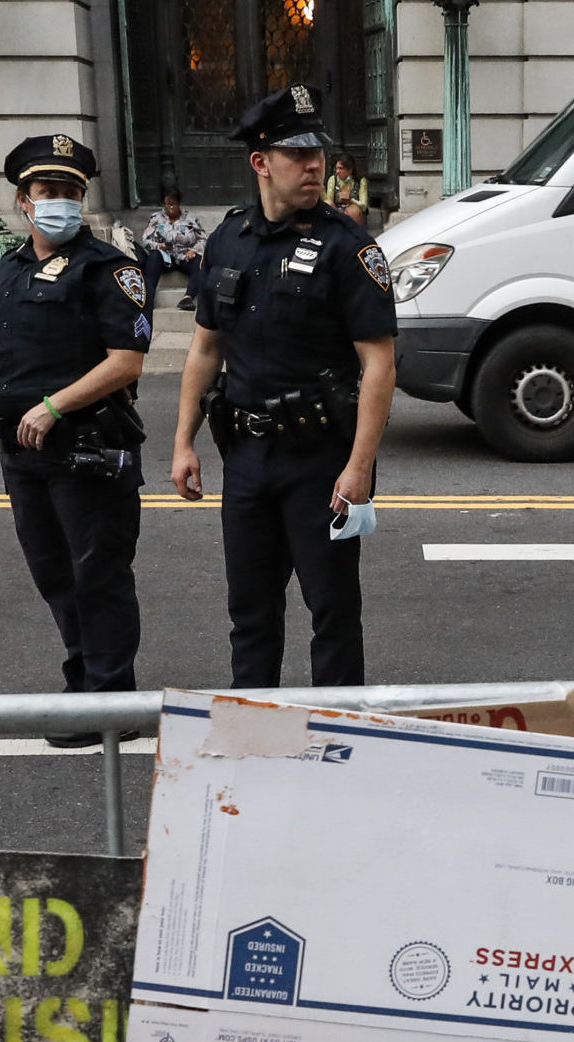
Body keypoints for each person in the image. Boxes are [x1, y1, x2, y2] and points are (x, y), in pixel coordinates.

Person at [170, 85, 396, 689]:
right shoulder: (227, 240)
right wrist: (183, 442)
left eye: (317, 152)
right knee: (249, 615)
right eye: (297, 154)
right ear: (261, 162)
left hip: (320, 460)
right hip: (245, 457)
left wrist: (359, 468)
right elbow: (205, 348)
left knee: (333, 613)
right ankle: (253, 746)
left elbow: (379, 365)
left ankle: (337, 742)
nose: (315, 165)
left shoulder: (349, 248)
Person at [0, 135, 152, 747]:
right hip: (22, 453)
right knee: (53, 575)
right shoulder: (4, 273)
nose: (61, 202)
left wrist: (53, 406)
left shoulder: (109, 270)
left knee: (99, 573)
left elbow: (127, 361)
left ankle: (111, 694)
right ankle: (82, 678)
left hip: (87, 448)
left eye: (72, 192)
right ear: (23, 200)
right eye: (49, 192)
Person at [138, 188, 205, 311]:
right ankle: (147, 298)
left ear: (179, 203)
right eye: (168, 204)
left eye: (174, 203)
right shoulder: (156, 219)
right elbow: (145, 240)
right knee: (153, 257)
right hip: (165, 257)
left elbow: (203, 239)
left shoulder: (190, 219)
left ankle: (188, 297)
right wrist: (159, 246)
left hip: (185, 256)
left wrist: (194, 250)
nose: (171, 207)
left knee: (200, 263)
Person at [324, 153, 371, 227]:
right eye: (336, 168)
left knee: (352, 211)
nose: (337, 171)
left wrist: (351, 200)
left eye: (341, 168)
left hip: (354, 214)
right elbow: (329, 202)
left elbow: (364, 206)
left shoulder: (360, 181)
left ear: (350, 170)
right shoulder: (333, 179)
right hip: (337, 211)